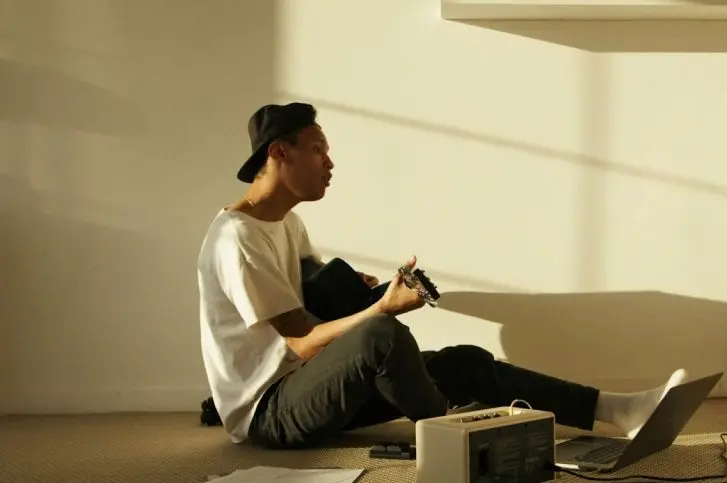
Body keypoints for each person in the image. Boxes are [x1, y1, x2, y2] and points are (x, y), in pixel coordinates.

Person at [196, 102, 690, 449]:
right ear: (279, 153)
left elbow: (313, 293)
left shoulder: (287, 225)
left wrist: (362, 288)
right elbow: (302, 342)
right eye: (317, 150)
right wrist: (382, 308)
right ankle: (451, 439)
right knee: (382, 334)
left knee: (463, 364)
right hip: (269, 411)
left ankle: (620, 411)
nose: (330, 163)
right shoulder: (237, 238)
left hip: (311, 385)